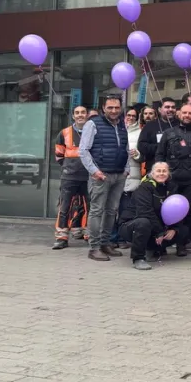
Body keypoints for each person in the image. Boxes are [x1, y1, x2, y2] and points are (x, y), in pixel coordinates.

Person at [78, 95, 130, 262]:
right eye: (110, 108)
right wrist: (94, 171)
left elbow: (126, 149)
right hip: (100, 175)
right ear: (103, 108)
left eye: (116, 108)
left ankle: (105, 243)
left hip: (118, 174)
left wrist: (126, 169)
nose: (114, 111)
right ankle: (94, 248)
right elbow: (83, 150)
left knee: (111, 211)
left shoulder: (122, 125)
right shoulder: (92, 124)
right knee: (96, 211)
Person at [117, 161, 181, 271]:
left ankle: (153, 248)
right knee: (143, 222)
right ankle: (138, 258)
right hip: (131, 224)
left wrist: (173, 229)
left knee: (183, 230)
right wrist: (159, 232)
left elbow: (176, 209)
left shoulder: (171, 187)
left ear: (168, 173)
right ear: (152, 173)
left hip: (154, 225)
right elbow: (145, 211)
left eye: (164, 171)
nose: (161, 173)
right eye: (158, 171)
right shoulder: (144, 187)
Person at [155, 103, 191, 217]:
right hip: (172, 179)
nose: (187, 115)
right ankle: (172, 233)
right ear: (179, 114)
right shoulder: (168, 133)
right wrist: (163, 176)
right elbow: (160, 155)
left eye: (190, 113)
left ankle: (190, 235)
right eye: (184, 112)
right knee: (171, 210)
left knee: (190, 211)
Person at [52, 105, 90, 249]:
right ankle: (61, 237)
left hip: (89, 176)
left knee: (91, 207)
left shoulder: (93, 132)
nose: (80, 115)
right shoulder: (64, 133)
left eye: (83, 112)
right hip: (69, 177)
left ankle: (89, 235)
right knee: (65, 206)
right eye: (77, 113)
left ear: (87, 115)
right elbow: (59, 155)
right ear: (73, 116)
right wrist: (69, 167)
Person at [137, 97, 177, 171]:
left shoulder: (180, 124)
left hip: (176, 168)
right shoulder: (150, 126)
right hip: (154, 168)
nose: (170, 109)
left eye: (173, 107)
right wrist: (162, 146)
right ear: (159, 110)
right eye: (167, 107)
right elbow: (141, 146)